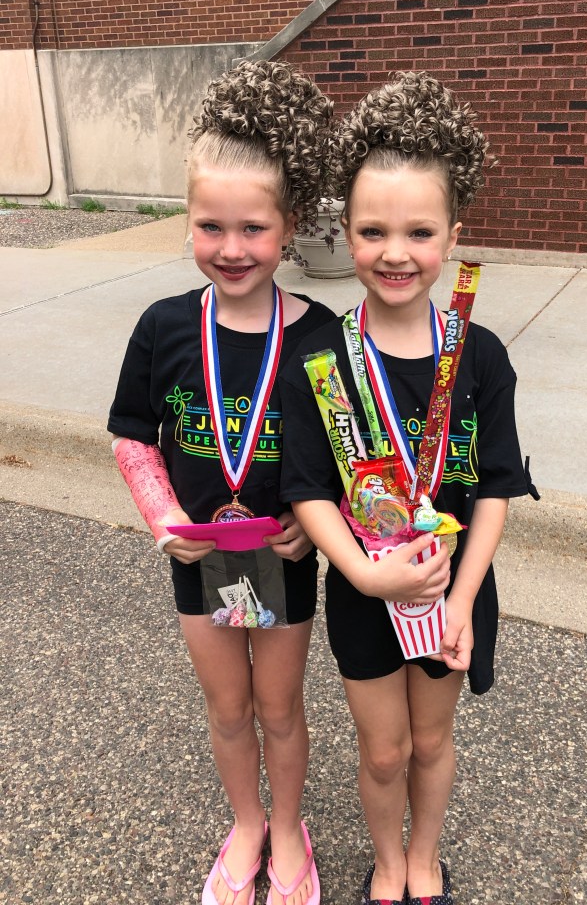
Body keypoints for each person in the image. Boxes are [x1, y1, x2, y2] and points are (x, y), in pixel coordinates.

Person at [279, 71, 538, 905]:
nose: (396, 253)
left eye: (420, 232)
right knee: (384, 750)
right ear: (344, 233)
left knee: (431, 741)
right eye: (373, 231)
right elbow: (308, 488)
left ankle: (423, 859)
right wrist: (363, 573)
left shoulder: (480, 355)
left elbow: (494, 487)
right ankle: (387, 866)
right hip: (366, 589)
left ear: (452, 236)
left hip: (451, 591)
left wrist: (460, 600)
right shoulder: (322, 358)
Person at [108, 59, 335, 905]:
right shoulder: (163, 327)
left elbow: (351, 457)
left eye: (253, 228)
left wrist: (319, 523)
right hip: (198, 560)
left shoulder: (321, 335)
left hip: (285, 558)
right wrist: (164, 517)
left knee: (280, 709)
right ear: (188, 220)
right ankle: (247, 823)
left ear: (289, 226)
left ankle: (289, 828)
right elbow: (133, 438)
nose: (231, 249)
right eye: (210, 226)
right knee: (229, 709)